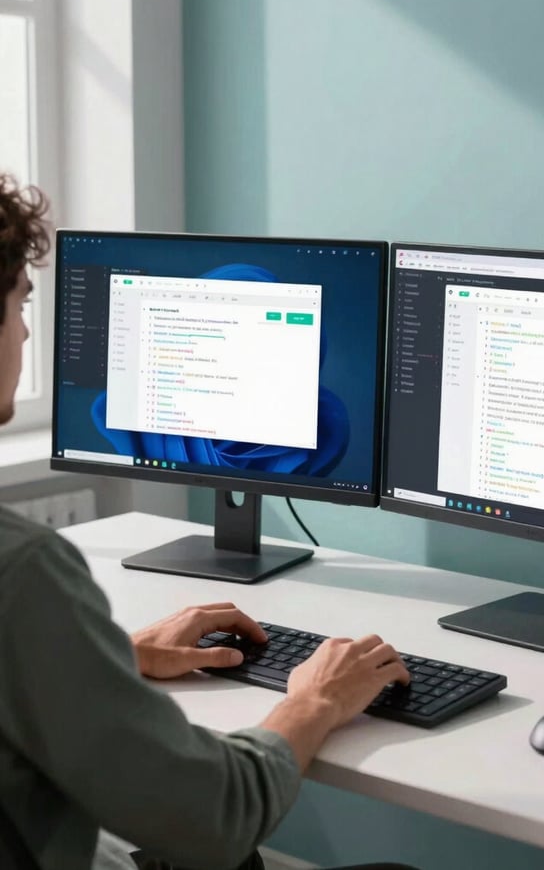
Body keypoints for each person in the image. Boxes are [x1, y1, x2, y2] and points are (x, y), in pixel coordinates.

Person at [0, 172, 417, 870]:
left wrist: (110, 658)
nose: (25, 329)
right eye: (21, 303)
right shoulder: (23, 571)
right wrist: (315, 701)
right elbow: (218, 817)